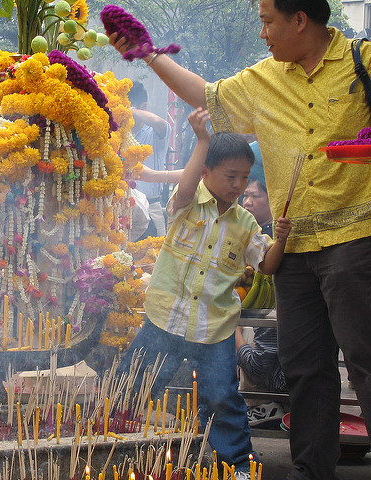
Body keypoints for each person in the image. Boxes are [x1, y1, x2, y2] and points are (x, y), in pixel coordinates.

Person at [110, 1, 371, 479]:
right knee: (306, 369)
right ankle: (312, 470)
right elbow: (204, 94)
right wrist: (148, 53)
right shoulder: (264, 79)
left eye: (269, 21)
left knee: (365, 359)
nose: (264, 32)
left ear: (300, 19)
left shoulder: (362, 60)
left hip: (355, 240)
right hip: (294, 252)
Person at [118, 107, 292, 478]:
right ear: (205, 173)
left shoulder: (246, 224)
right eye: (230, 176)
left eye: (244, 178)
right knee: (133, 385)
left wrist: (282, 238)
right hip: (164, 321)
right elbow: (185, 183)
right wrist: (202, 140)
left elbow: (269, 266)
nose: (238, 185)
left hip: (214, 331)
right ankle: (113, 444)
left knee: (223, 399)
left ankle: (238, 466)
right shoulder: (185, 205)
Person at [236, 142, 287, 428]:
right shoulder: (247, 228)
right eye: (245, 197)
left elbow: (267, 267)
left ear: (271, 199)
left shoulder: (269, 237)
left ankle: (264, 404)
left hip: (265, 328)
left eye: (254, 196)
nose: (247, 202)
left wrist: (236, 333)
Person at [128, 81, 173, 237]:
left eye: (133, 110)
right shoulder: (119, 134)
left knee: (152, 258)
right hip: (125, 210)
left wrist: (129, 110)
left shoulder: (154, 133)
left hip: (151, 209)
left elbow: (157, 122)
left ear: (144, 107)